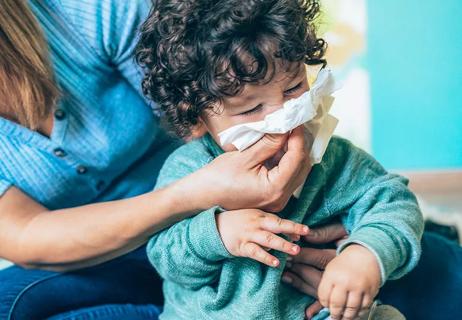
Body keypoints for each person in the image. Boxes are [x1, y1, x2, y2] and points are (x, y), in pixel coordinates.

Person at [0, 0, 311, 319]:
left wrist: (353, 247)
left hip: (210, 216)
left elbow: (211, 110)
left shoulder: (85, 11)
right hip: (101, 255)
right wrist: (192, 193)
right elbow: (26, 236)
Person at [136, 0, 423, 319]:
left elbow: (393, 202)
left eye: (293, 89)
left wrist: (364, 255)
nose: (283, 119)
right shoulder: (188, 169)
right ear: (197, 117)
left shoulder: (331, 157)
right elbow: (166, 256)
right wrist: (217, 232)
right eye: (249, 110)